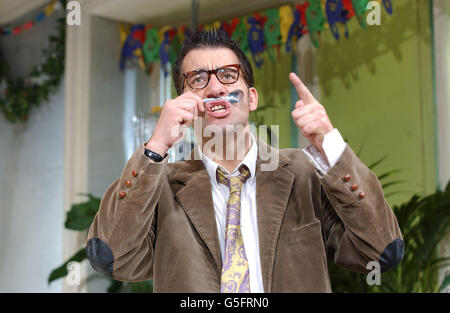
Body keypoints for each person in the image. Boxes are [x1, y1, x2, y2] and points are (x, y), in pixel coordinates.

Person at [85, 29, 404, 293]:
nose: (214, 88)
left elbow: (380, 252)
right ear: (184, 103)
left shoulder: (303, 174)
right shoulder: (162, 187)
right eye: (197, 80)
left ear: (251, 97)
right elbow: (111, 257)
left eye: (227, 75)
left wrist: (330, 144)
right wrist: (156, 147)